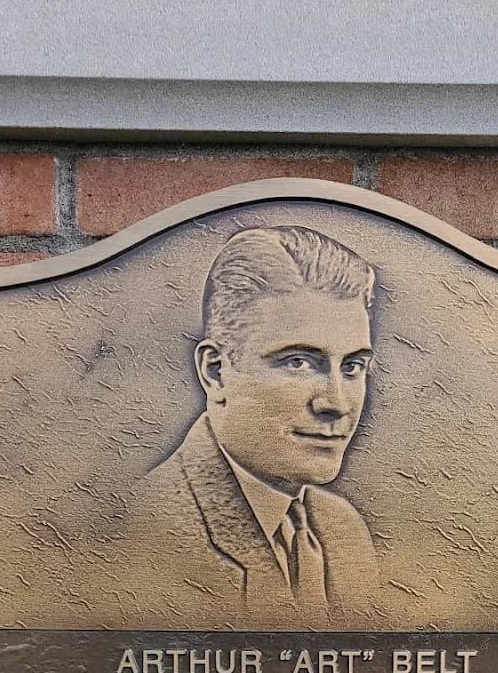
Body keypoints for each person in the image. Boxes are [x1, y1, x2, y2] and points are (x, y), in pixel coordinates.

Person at [121, 224, 380, 629]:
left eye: (352, 367)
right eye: (299, 362)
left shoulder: (344, 532)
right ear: (216, 372)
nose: (336, 403)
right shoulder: (140, 534)